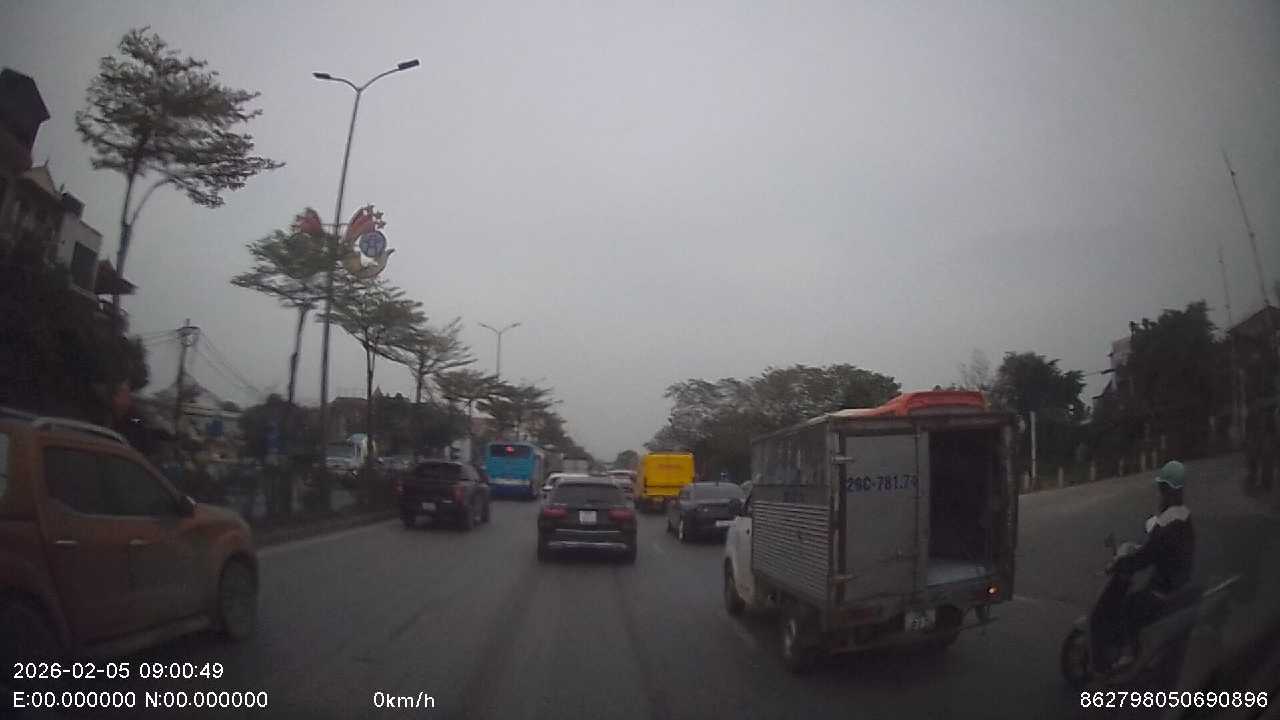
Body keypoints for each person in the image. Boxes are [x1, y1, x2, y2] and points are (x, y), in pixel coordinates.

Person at [1108, 460, 1195, 669]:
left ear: (1167, 490)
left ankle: (1131, 654)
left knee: (1129, 605)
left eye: (1162, 489)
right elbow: (1156, 548)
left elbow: (1147, 556)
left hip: (1166, 585)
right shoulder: (1183, 515)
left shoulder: (1170, 522)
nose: (1160, 494)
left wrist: (1122, 564)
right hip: (1179, 578)